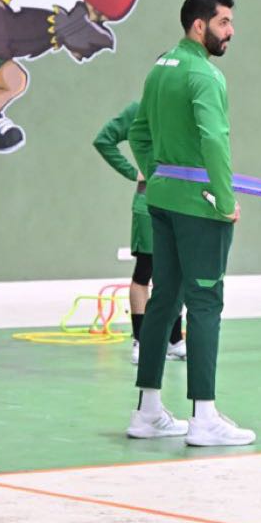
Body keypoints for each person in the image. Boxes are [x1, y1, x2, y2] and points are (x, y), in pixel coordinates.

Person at [126, 0, 254, 447]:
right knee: (205, 303)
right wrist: (224, 199)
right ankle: (204, 417)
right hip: (200, 205)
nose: (231, 31)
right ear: (199, 26)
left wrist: (160, 174)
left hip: (162, 200)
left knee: (164, 300)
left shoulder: (160, 67)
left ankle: (147, 412)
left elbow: (138, 134)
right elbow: (214, 141)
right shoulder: (205, 74)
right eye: (224, 23)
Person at [92, 101, 186, 364]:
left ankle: (173, 339)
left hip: (181, 203)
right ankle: (141, 340)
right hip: (148, 204)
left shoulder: (184, 110)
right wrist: (133, 172)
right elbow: (104, 140)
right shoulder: (138, 110)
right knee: (146, 270)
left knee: (175, 273)